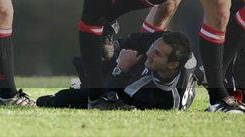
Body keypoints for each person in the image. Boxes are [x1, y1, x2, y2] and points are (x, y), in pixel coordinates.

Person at [37, 32, 197, 110]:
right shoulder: (183, 54)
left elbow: (107, 96)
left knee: (61, 99)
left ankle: (82, 86)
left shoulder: (154, 95)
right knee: (85, 57)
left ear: (172, 65)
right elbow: (137, 40)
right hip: (130, 69)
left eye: (157, 54)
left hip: (124, 80)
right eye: (153, 47)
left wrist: (120, 68)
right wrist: (115, 46)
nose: (150, 53)